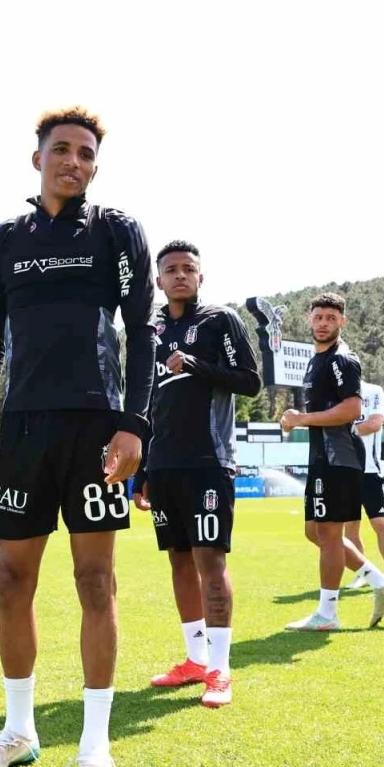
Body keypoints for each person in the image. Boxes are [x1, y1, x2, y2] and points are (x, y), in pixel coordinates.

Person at [0, 106, 155, 767]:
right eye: (63, 149)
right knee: (12, 579)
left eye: (86, 153)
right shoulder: (1, 242)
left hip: (96, 429)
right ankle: (18, 729)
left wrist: (134, 424)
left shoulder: (115, 231)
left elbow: (142, 330)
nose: (75, 161)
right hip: (21, 431)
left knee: (94, 581)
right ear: (37, 156)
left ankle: (95, 745)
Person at [132, 240, 261, 708]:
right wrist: (142, 471)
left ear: (200, 277)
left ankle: (220, 669)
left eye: (189, 269)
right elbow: (148, 403)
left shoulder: (219, 320)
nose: (180, 275)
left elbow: (250, 380)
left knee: (211, 562)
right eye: (171, 270)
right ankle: (194, 658)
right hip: (164, 465)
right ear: (159, 280)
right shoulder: (152, 331)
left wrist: (196, 365)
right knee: (179, 561)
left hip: (209, 461)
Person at [281, 295, 384, 631]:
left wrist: (303, 419)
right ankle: (379, 581)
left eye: (331, 318)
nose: (323, 323)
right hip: (322, 455)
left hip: (339, 456)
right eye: (318, 317)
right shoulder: (315, 361)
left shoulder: (342, 359)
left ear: (342, 322)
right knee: (314, 532)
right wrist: (295, 420)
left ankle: (327, 614)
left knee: (330, 534)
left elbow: (352, 409)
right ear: (309, 319)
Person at [344, 381, 384, 590]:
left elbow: (374, 424)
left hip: (370, 471)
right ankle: (363, 573)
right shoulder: (337, 392)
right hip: (346, 472)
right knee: (350, 528)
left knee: (379, 524)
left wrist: (343, 432)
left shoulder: (373, 391)